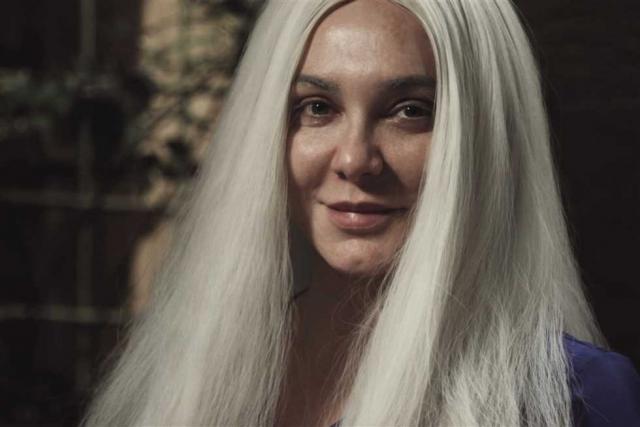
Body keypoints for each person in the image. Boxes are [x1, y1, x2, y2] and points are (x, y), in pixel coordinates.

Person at [81, 1, 640, 426]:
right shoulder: (187, 369)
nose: (354, 160)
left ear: (486, 141)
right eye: (317, 107)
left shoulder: (575, 398)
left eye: (410, 111)